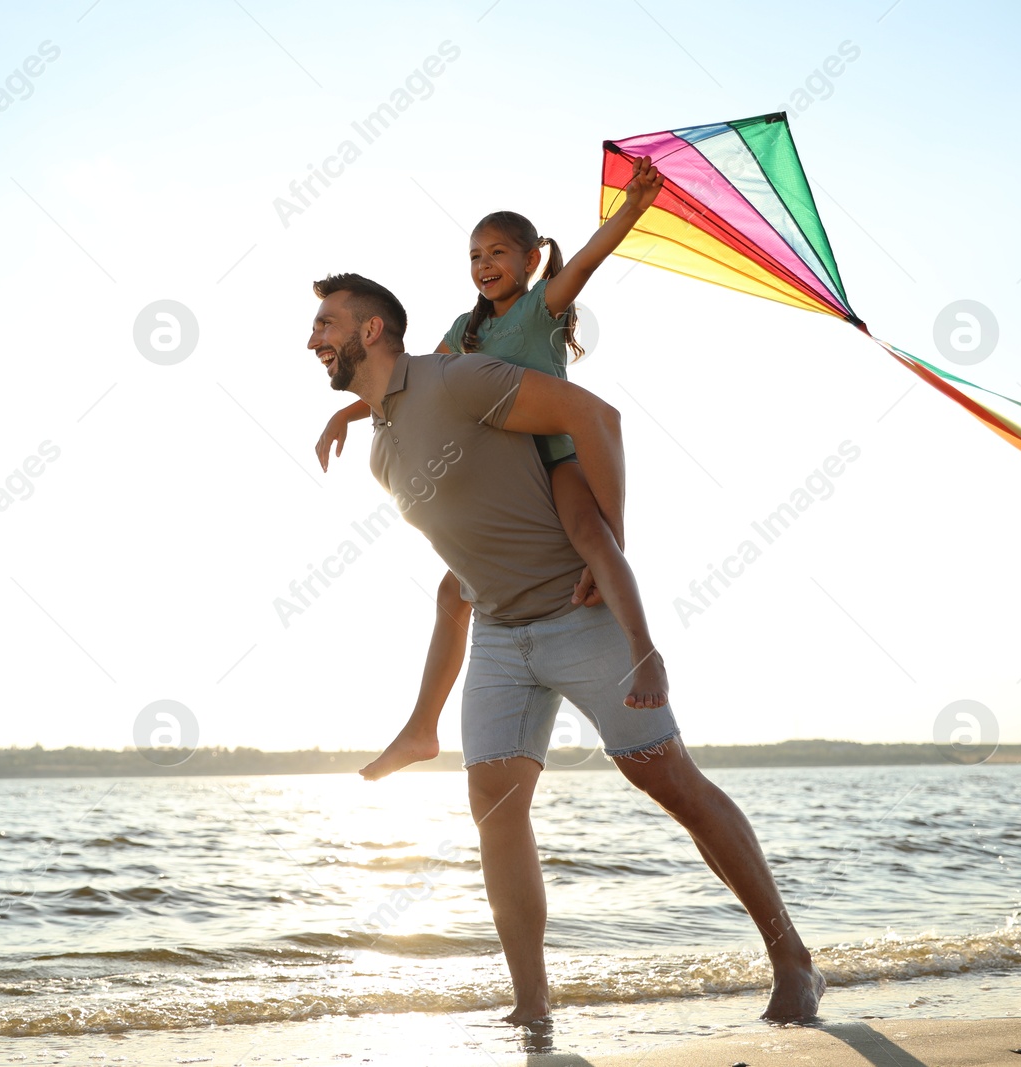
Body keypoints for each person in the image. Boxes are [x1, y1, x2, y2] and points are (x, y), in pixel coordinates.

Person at [305, 272, 825, 1024]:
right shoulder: (381, 450)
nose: (313, 339)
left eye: (325, 324)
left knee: (669, 780)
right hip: (499, 637)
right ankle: (532, 1004)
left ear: (372, 331)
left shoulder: (460, 378)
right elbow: (471, 546)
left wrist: (606, 546)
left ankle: (793, 961)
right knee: (495, 806)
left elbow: (596, 417)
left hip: (579, 615)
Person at [315, 158, 669, 781]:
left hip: (552, 457)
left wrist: (633, 207)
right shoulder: (464, 328)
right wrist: (349, 412)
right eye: (474, 255)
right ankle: (422, 729)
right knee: (455, 589)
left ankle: (645, 655)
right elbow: (405, 378)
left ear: (532, 261)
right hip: (503, 472)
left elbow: (585, 261)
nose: (484, 265)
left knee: (594, 539)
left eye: (498, 252)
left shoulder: (540, 308)